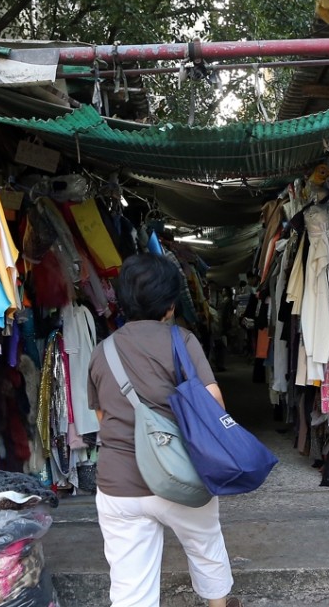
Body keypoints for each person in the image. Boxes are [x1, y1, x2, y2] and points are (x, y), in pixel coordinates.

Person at [87, 254, 241, 607]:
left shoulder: (102, 352)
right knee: (205, 546)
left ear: (121, 302)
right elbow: (214, 404)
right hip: (181, 473)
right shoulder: (181, 341)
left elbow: (101, 417)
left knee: (130, 585)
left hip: (119, 484)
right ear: (171, 304)